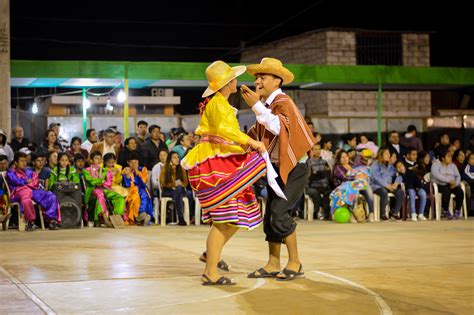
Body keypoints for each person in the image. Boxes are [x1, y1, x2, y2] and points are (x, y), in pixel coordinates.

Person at [181, 60, 266, 285]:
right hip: (216, 162)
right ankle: (211, 271)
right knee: (223, 219)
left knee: (235, 217)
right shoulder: (218, 103)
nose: (237, 82)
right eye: (233, 78)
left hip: (222, 157)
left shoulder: (221, 103)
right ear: (228, 82)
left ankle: (211, 255)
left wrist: (245, 142)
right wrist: (251, 142)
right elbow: (225, 130)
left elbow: (227, 132)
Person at [241, 57, 315, 281]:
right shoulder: (266, 106)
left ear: (277, 81)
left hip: (295, 168)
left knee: (280, 213)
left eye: (262, 77)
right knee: (271, 215)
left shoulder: (284, 102)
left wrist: (255, 106)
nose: (257, 82)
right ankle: (273, 263)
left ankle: (295, 262)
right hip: (277, 167)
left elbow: (278, 128)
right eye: (256, 78)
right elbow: (258, 135)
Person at [6, 152, 60, 231]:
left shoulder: (29, 172)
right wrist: (26, 182)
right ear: (16, 162)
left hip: (32, 190)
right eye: (21, 161)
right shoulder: (11, 172)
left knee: (50, 195)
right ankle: (30, 222)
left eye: (25, 161)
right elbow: (15, 181)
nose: (24, 163)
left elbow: (35, 182)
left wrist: (25, 182)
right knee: (26, 200)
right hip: (19, 191)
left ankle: (52, 221)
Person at [160, 151, 193, 225]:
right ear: (170, 159)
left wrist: (181, 184)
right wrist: (174, 184)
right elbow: (163, 182)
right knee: (179, 192)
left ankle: (175, 207)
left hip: (179, 190)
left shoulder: (181, 168)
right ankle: (181, 218)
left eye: (178, 157)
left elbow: (185, 182)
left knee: (188, 193)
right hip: (168, 190)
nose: (177, 159)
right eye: (174, 158)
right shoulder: (165, 168)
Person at [431, 149, 464, 219]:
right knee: (446, 191)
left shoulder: (453, 165)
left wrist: (456, 183)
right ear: (442, 158)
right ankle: (445, 211)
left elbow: (458, 176)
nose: (450, 158)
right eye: (448, 156)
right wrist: (449, 181)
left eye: (450, 156)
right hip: (440, 184)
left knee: (460, 192)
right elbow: (437, 176)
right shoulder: (435, 165)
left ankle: (457, 210)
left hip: (452, 184)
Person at [122, 151, 153, 225]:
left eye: (136, 162)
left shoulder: (143, 169)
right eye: (132, 162)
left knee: (144, 196)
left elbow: (143, 182)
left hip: (142, 189)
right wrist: (127, 176)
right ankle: (140, 216)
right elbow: (127, 185)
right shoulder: (126, 171)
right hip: (131, 191)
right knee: (135, 198)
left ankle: (141, 215)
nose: (134, 164)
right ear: (128, 162)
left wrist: (137, 172)